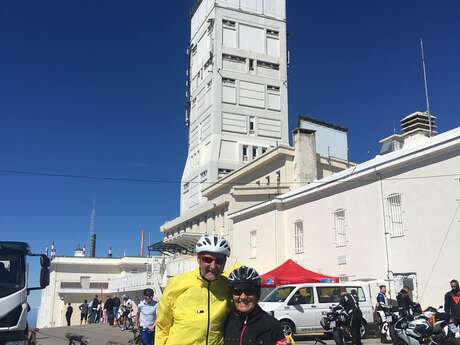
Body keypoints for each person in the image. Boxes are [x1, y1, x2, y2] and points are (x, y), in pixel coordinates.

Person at [155, 234, 232, 345]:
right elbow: (162, 327)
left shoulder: (228, 286)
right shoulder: (177, 284)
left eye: (219, 261)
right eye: (207, 259)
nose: (213, 266)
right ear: (199, 259)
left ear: (225, 262)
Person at [224, 266, 292, 345]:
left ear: (257, 294)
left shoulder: (272, 325)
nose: (243, 297)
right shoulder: (226, 321)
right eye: (237, 291)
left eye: (249, 291)